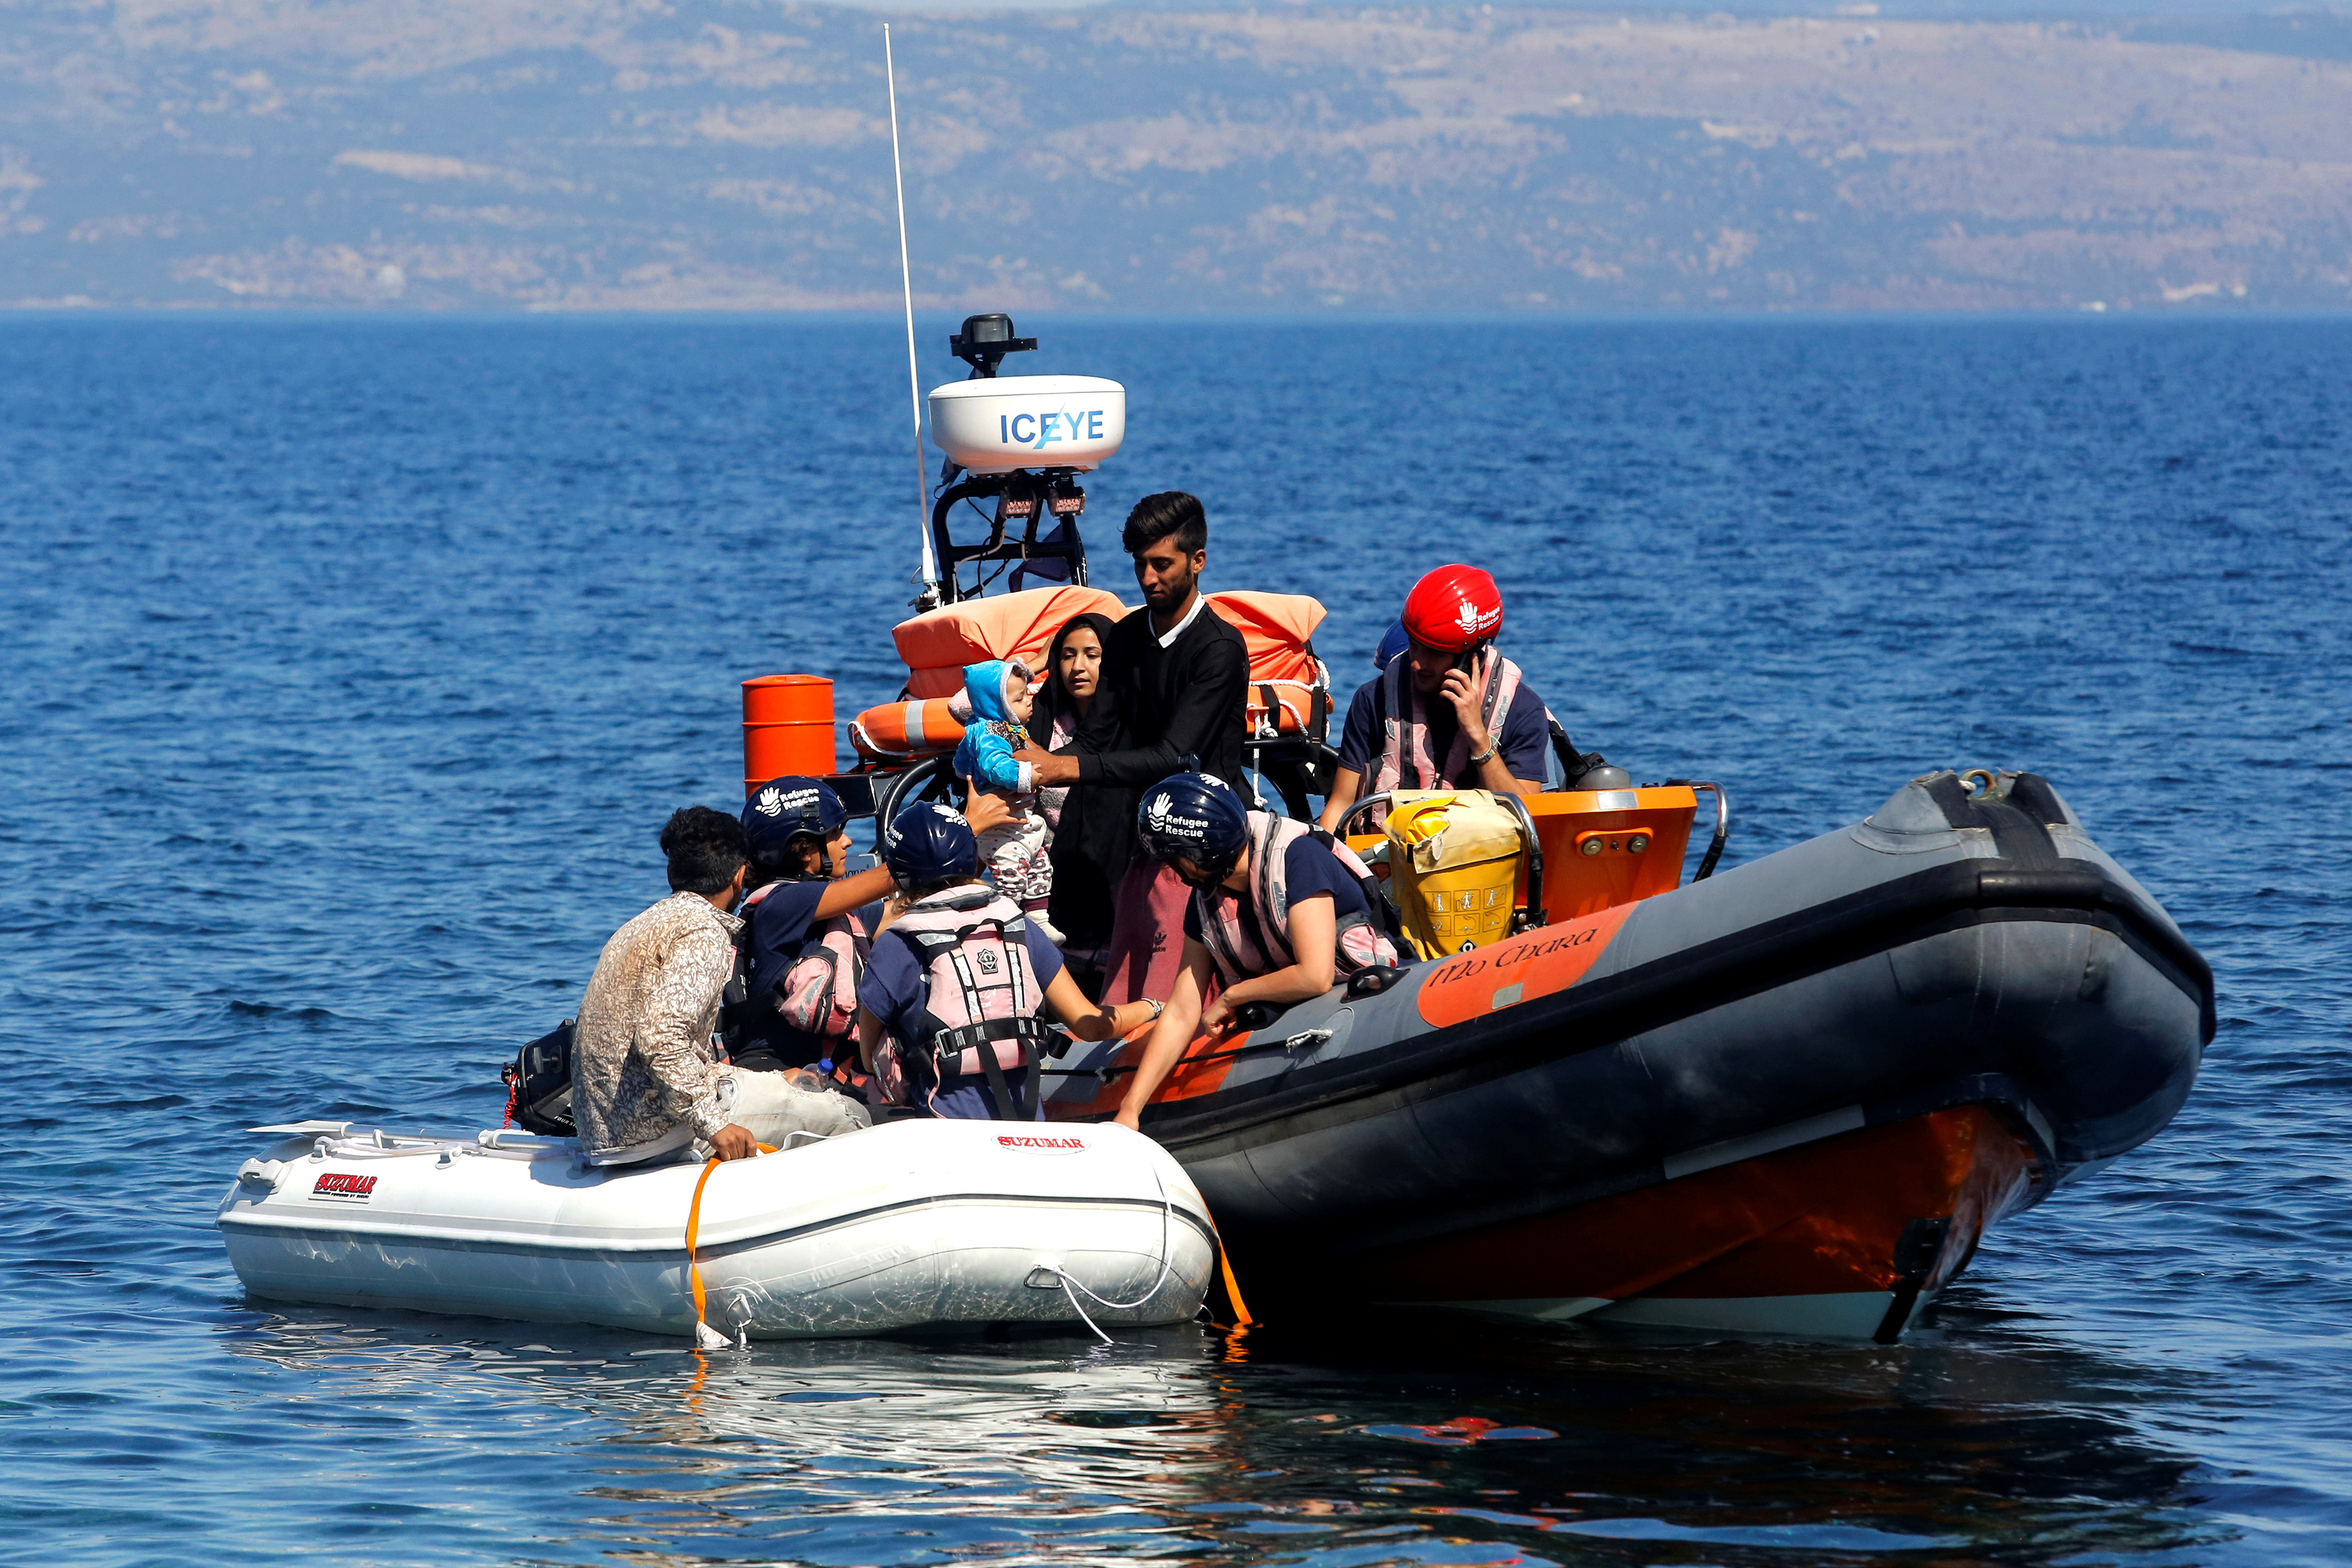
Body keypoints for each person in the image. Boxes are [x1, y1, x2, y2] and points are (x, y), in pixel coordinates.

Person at [1013, 492, 1250, 1000]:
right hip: (1142, 839)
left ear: (1198, 561)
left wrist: (1063, 771)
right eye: (1139, 564)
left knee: (1170, 997)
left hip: (1206, 841)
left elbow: (1172, 756)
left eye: (1161, 564)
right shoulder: (1123, 638)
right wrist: (1028, 762)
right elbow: (1097, 737)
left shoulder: (1219, 649)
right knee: (1121, 990)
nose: (1147, 579)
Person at [571, 807, 870, 1168]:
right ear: (739, 876)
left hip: (603, 1128)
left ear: (672, 873)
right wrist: (714, 1125)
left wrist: (773, 1081)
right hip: (651, 1130)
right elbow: (660, 1038)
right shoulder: (705, 933)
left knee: (791, 1083)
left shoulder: (639, 925)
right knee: (850, 1115)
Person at [1116, 773, 1397, 1131]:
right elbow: (1182, 1010)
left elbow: (1315, 975)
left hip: (1364, 1002)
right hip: (1290, 1024)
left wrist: (1233, 995)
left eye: (1172, 858)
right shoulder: (1203, 900)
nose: (1168, 869)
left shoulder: (1298, 858)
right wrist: (1130, 1109)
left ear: (1201, 852)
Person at [857, 800, 1164, 1120]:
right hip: (1028, 1125)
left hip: (942, 1129)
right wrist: (1154, 1007)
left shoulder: (896, 944)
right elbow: (1090, 1024)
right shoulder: (1019, 926)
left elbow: (868, 1059)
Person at [1318, 565, 1558, 833]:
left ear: (1472, 655)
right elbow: (1339, 806)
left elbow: (1529, 818)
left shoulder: (1523, 708)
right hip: (1383, 862)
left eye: (1433, 653)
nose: (1417, 664)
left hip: (1481, 863)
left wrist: (1479, 739)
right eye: (1414, 644)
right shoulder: (1372, 699)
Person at [728, 776, 894, 1075]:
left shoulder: (834, 916)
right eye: (836, 833)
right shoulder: (782, 904)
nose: (847, 842)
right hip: (775, 1069)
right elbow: (889, 878)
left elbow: (906, 908)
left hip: (821, 1069)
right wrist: (957, 831)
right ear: (805, 850)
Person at [1028, 611, 1120, 961]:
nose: (1078, 666)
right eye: (1067, 655)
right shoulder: (1038, 716)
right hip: (1046, 882)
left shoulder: (1131, 723)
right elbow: (962, 704)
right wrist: (1038, 663)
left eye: (1092, 655)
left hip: (1113, 877)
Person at [949, 657, 1058, 940]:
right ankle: (1005, 920)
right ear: (999, 705)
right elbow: (995, 766)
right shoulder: (988, 732)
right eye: (1020, 699)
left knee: (1040, 867)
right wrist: (1026, 775)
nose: (1029, 702)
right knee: (1010, 873)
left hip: (1021, 821)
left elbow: (962, 763)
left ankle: (1038, 919)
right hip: (999, 824)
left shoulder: (1006, 726)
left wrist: (963, 770)